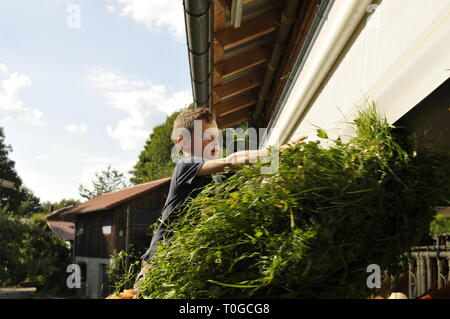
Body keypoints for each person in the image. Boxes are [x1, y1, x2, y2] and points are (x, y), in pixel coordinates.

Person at [107, 107, 307, 298]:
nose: (215, 143)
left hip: (189, 265)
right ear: (182, 143)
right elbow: (233, 159)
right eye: (207, 138)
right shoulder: (185, 166)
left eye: (216, 137)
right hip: (160, 264)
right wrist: (279, 152)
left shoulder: (218, 180)